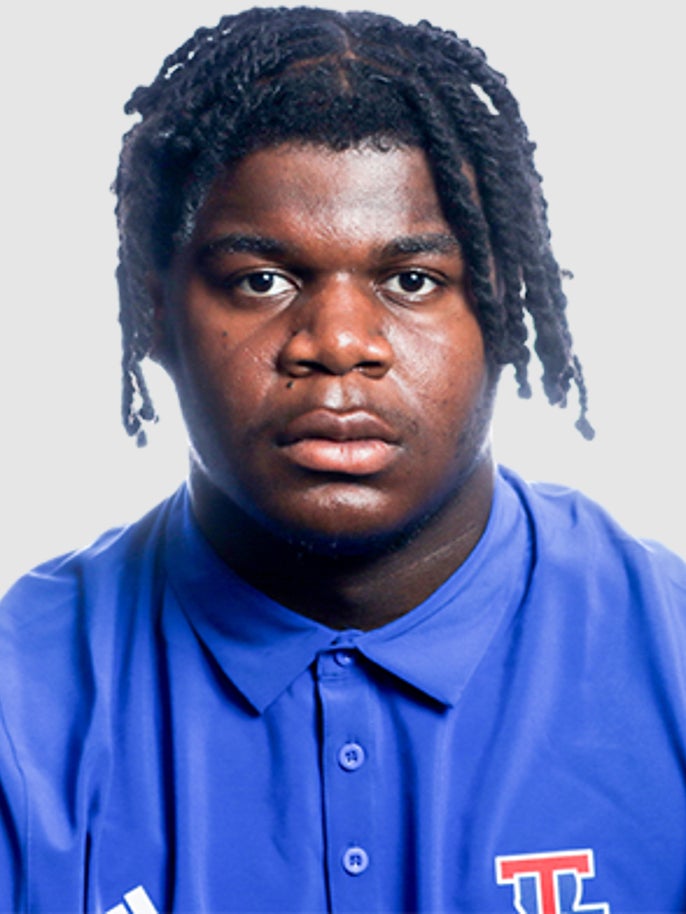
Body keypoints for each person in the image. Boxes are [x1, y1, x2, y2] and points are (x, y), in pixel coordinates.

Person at [1, 6, 685, 913]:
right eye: (262, 281)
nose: (338, 343)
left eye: (411, 281)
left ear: (502, 307)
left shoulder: (671, 655)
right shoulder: (22, 702)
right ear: (155, 313)